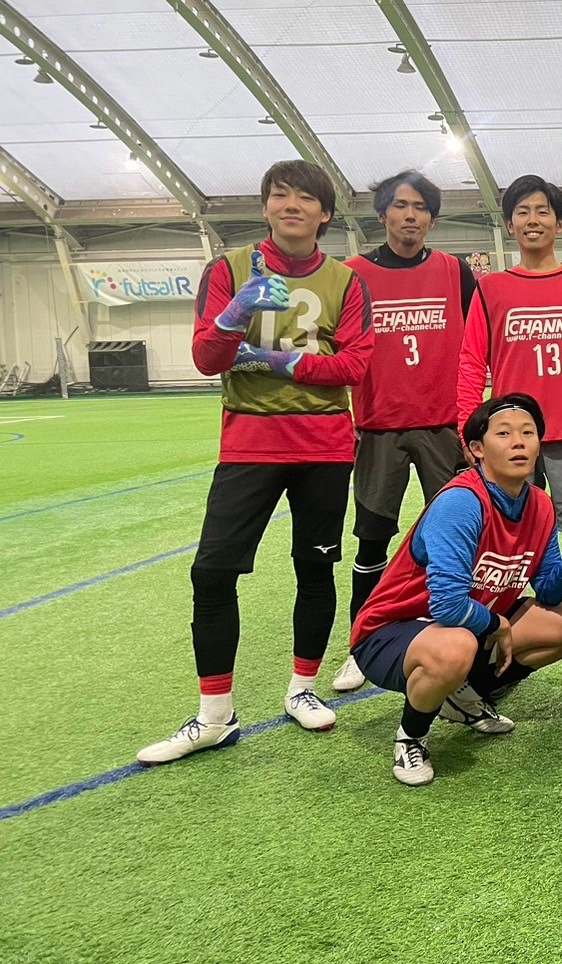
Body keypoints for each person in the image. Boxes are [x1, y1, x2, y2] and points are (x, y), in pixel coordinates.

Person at [139, 160, 372, 765]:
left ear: (325, 213)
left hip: (324, 446)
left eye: (305, 197)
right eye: (279, 194)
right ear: (265, 205)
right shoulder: (228, 269)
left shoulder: (346, 282)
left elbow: (353, 366)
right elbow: (207, 358)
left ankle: (302, 688)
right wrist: (232, 317)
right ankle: (215, 715)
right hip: (249, 443)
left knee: (315, 569)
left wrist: (274, 361)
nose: (291, 204)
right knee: (212, 573)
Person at [349, 394, 562, 786]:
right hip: (390, 632)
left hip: (467, 627)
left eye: (528, 433)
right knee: (456, 645)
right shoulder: (461, 502)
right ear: (477, 449)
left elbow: (546, 590)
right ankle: (411, 737)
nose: (519, 442)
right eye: (504, 434)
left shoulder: (540, 504)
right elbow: (446, 604)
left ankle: (462, 694)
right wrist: (498, 624)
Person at [333, 171, 480, 692]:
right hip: (379, 428)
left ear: (432, 219)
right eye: (401, 205)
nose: (411, 215)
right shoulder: (352, 274)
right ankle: (361, 641)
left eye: (421, 207)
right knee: (373, 538)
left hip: (444, 426)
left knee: (459, 538)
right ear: (382, 214)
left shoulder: (454, 271)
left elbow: (479, 342)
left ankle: (465, 636)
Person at [457, 175, 562, 529]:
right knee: (512, 532)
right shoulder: (490, 288)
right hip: (511, 434)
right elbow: (471, 362)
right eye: (523, 212)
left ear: (559, 224)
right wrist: (467, 430)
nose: (533, 220)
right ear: (510, 224)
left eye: (543, 212)